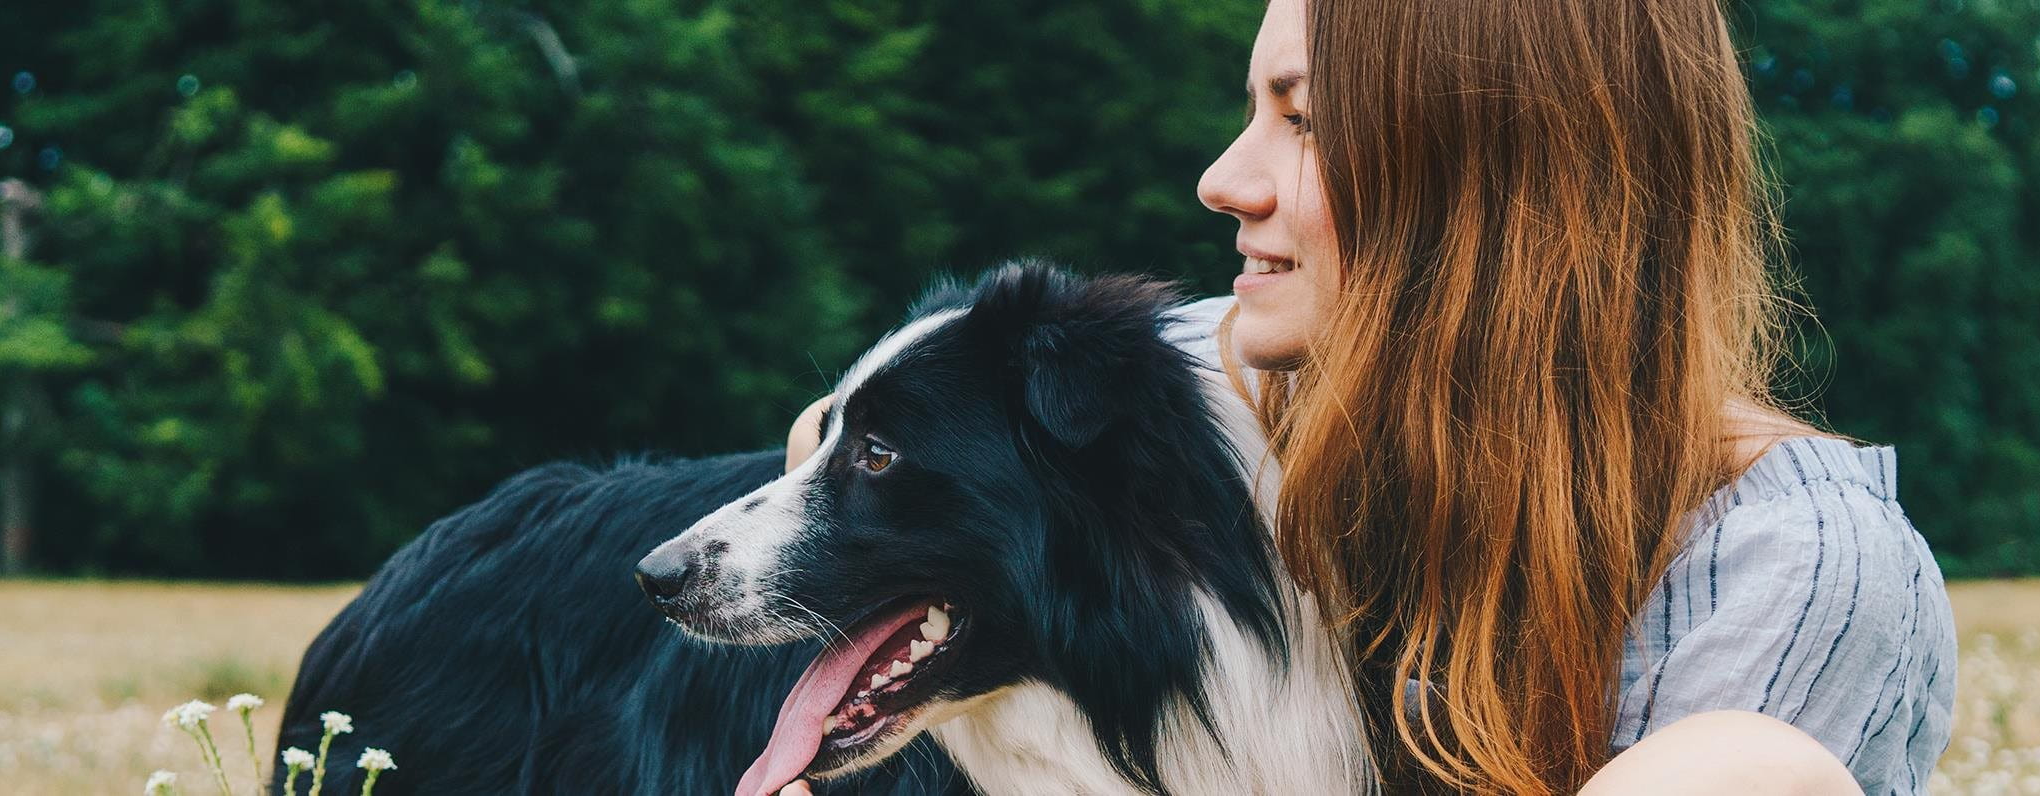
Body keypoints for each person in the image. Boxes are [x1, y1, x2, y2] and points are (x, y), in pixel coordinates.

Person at [798, 0, 1953, 791]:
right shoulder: (1255, 385)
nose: (1222, 179)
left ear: (1505, 180)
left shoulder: (1793, 568)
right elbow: (860, 440)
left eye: (1300, 120)